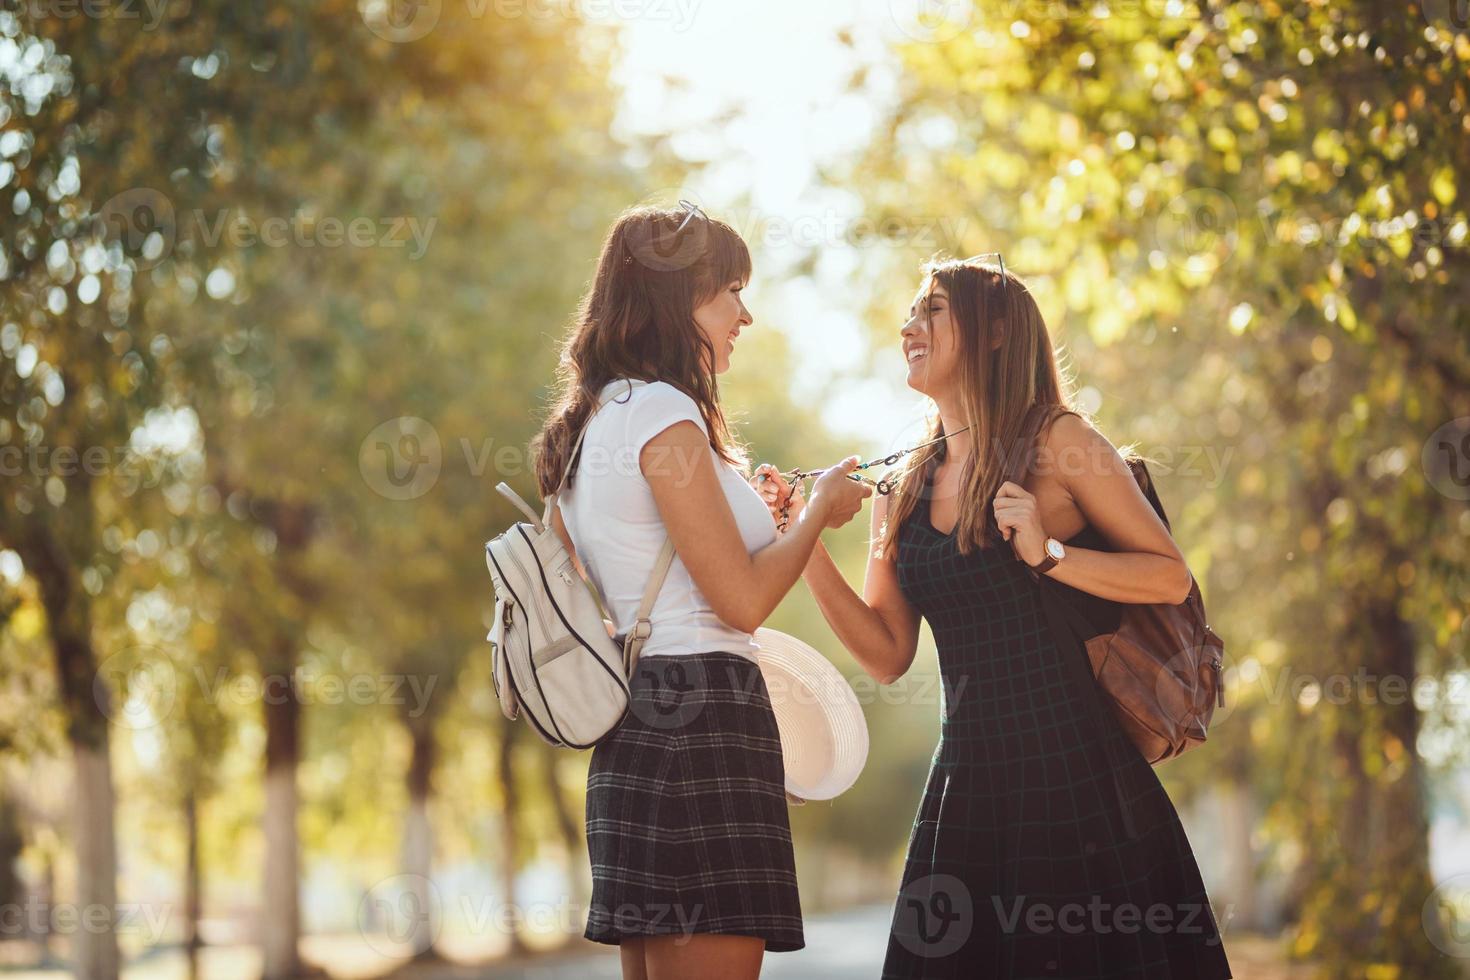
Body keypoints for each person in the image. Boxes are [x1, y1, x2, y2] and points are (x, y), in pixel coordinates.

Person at [754, 255, 1233, 978]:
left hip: (1079, 784)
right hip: (967, 791)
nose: (911, 326)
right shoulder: (902, 487)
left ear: (998, 330)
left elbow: (1169, 575)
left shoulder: (1059, 441)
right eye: (913, 311)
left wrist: (1050, 555)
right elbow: (886, 653)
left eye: (935, 309)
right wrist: (803, 539)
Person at [531, 201, 871, 980]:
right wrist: (819, 513)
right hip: (704, 719)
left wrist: (781, 523)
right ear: (676, 299)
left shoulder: (589, 423)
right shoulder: (661, 411)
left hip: (637, 724)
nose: (743, 316)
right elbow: (740, 603)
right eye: (729, 293)